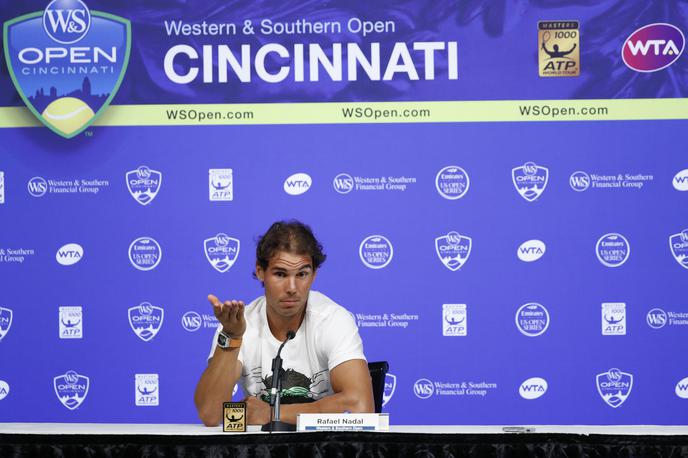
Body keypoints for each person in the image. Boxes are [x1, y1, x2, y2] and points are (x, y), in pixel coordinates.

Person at [194, 220, 374, 426]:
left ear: (314, 275)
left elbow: (360, 407)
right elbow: (211, 414)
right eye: (280, 274)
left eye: (302, 274)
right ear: (260, 272)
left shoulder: (333, 319)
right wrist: (232, 338)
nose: (292, 287)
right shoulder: (238, 325)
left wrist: (272, 414)